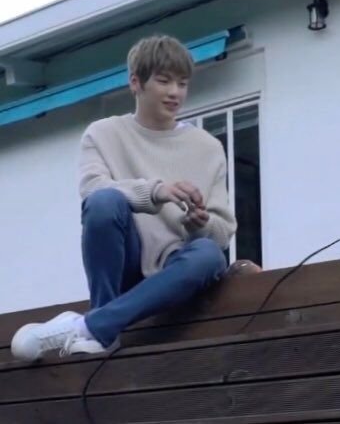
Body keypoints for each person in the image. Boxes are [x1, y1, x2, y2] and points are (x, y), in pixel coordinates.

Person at [11, 34, 237, 361]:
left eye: (183, 83)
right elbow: (93, 191)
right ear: (135, 83)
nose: (175, 92)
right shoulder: (103, 134)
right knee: (104, 202)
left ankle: (91, 328)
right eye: (164, 81)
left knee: (209, 254)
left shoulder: (208, 148)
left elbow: (223, 234)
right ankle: (103, 319)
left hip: (173, 270)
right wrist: (155, 191)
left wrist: (198, 224)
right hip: (124, 266)